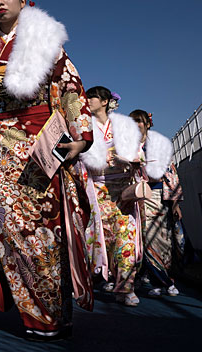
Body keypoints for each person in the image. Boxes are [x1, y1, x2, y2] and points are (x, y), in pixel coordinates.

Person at [0, 0, 93, 340]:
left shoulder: (44, 41)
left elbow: (70, 87)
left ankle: (53, 313)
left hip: (39, 146)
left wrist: (81, 136)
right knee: (9, 232)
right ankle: (34, 315)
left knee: (42, 230)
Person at [79, 87, 143, 306]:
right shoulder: (83, 125)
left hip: (123, 191)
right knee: (93, 240)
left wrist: (134, 157)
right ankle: (87, 282)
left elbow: (137, 150)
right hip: (97, 190)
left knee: (126, 239)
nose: (87, 101)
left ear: (105, 101)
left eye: (92, 97)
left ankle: (125, 288)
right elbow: (79, 154)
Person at [130, 109, 183, 297]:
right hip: (136, 196)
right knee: (141, 238)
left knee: (160, 239)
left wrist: (175, 203)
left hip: (157, 194)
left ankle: (164, 281)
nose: (136, 125)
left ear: (147, 124)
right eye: (132, 121)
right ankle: (159, 281)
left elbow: (170, 172)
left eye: (139, 121)